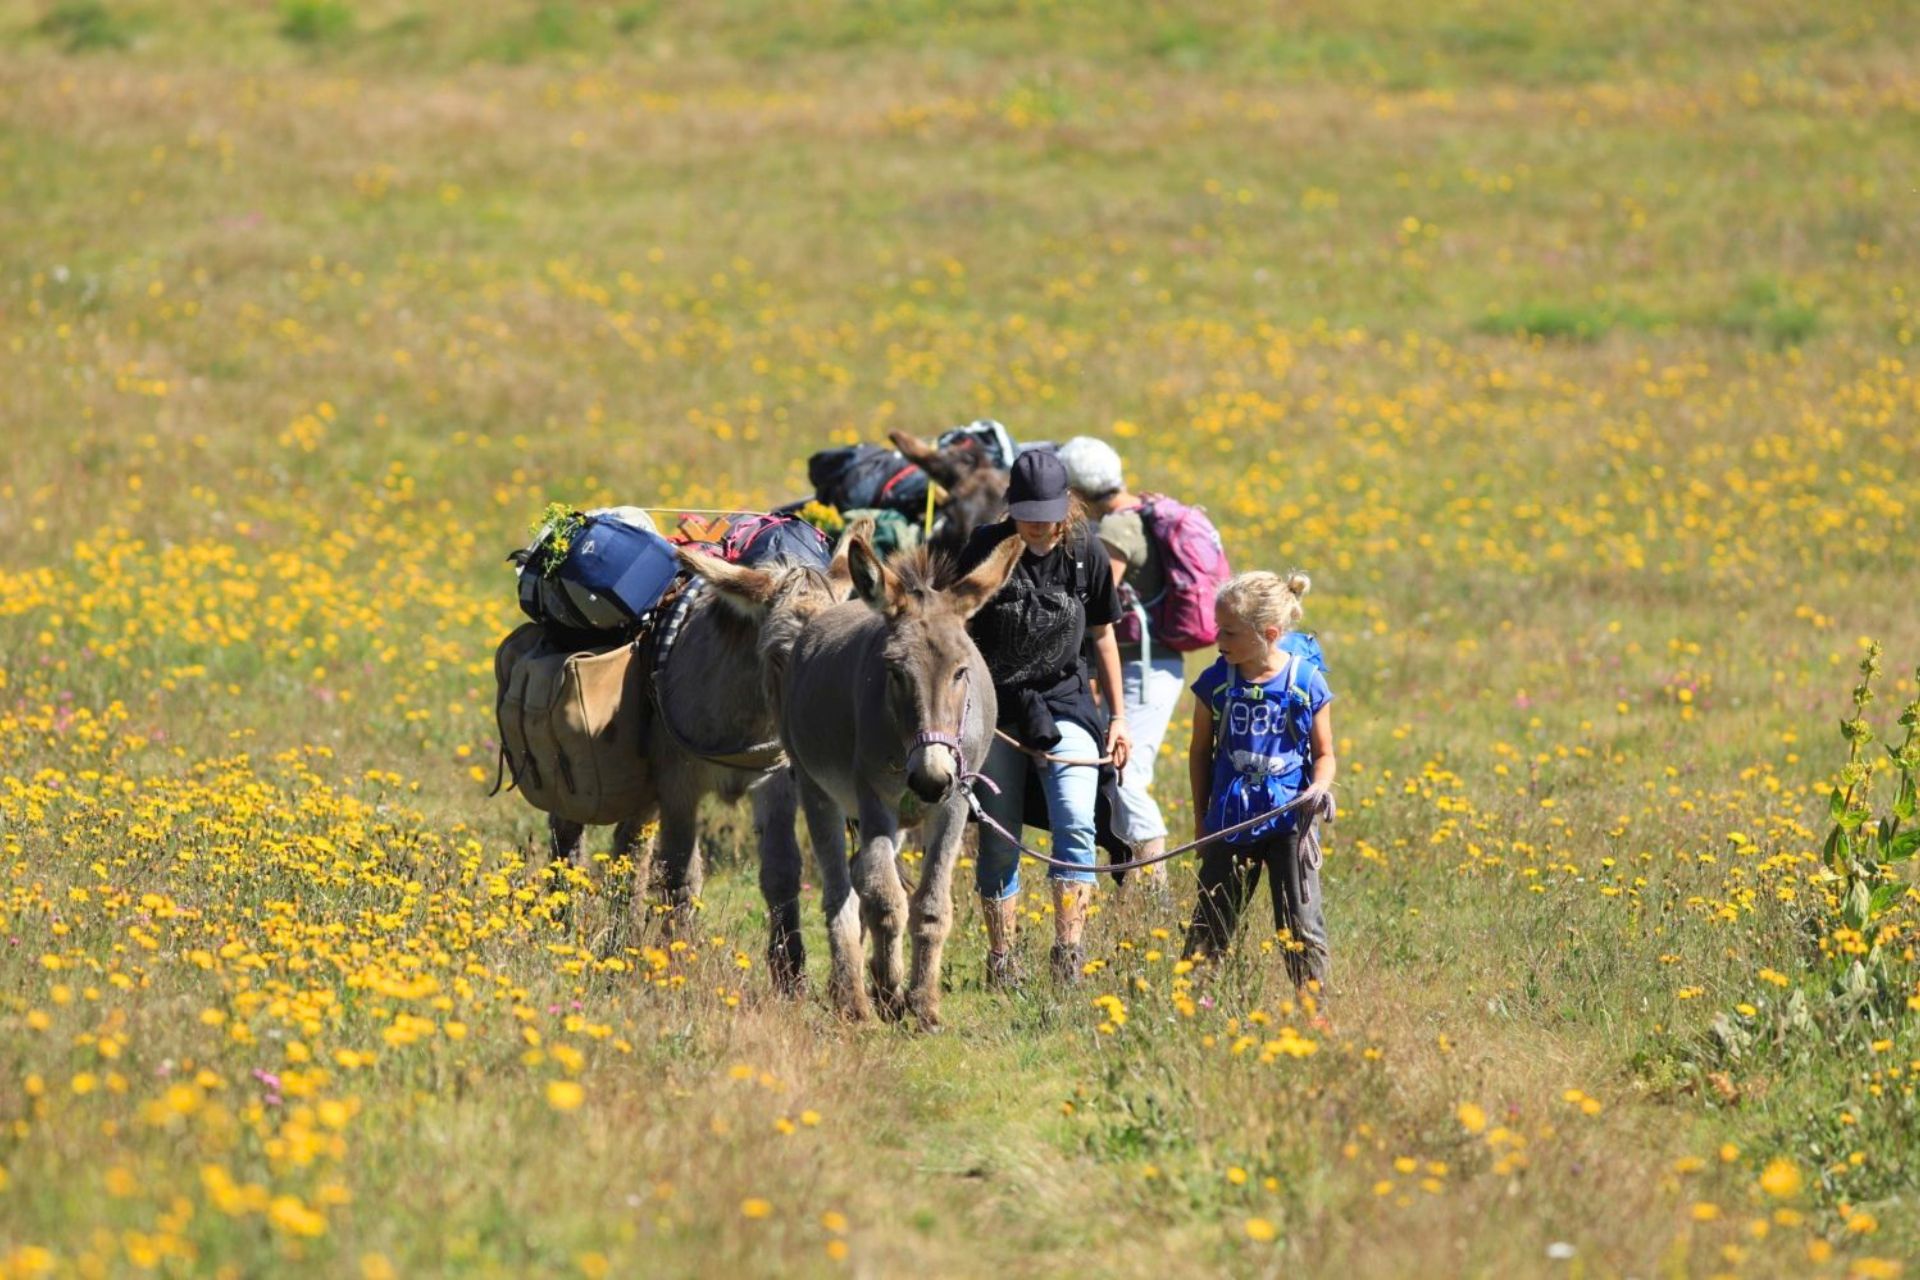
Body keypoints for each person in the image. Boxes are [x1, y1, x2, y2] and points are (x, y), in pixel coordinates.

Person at [954, 449, 1133, 985]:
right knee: (998, 834)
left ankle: (1068, 955)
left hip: (1067, 703)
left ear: (1067, 506)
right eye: (1026, 510)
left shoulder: (1086, 552)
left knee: (1075, 819)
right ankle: (1001, 960)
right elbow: (955, 631)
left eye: (1046, 511)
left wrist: (1119, 718)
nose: (1035, 522)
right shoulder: (984, 549)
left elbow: (1103, 636)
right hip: (997, 712)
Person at [1183, 571, 1335, 990]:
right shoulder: (1215, 683)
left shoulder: (1306, 682)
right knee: (1210, 921)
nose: (1219, 640)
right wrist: (1201, 820)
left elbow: (1325, 754)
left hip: (1289, 825)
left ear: (1268, 633)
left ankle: (1311, 1011)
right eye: (1219, 629)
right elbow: (1200, 752)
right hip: (1230, 821)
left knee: (1301, 925)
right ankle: (1187, 1005)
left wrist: (1318, 788)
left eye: (1229, 632)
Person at [1057, 436, 1184, 888]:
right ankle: (1136, 884)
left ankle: (1156, 888)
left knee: (1126, 773)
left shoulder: (1114, 531)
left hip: (1141, 667)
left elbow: (1094, 609)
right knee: (1121, 770)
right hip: (1150, 663)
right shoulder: (1138, 512)